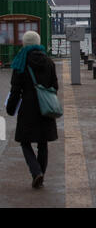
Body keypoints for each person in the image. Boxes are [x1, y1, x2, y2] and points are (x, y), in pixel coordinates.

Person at [6, 30, 59, 189]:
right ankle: (40, 173)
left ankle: (36, 172)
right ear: (38, 42)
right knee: (43, 143)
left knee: (24, 141)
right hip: (45, 108)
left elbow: (15, 90)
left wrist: (10, 108)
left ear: (25, 43)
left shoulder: (21, 63)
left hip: (28, 108)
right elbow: (54, 86)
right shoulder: (49, 62)